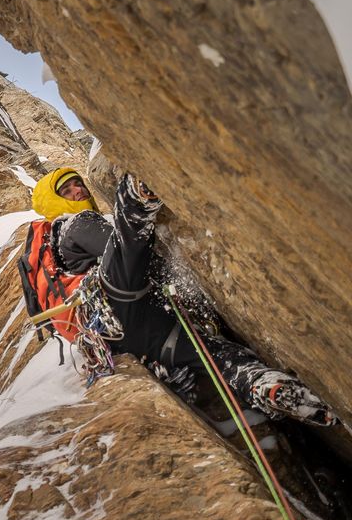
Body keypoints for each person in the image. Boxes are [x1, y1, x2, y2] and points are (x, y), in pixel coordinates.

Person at [19, 167, 338, 427]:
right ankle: (135, 198)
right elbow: (115, 249)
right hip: (115, 305)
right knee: (128, 242)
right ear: (53, 203)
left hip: (127, 340)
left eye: (79, 184)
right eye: (68, 190)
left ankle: (266, 385)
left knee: (212, 353)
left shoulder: (61, 244)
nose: (79, 191)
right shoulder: (72, 224)